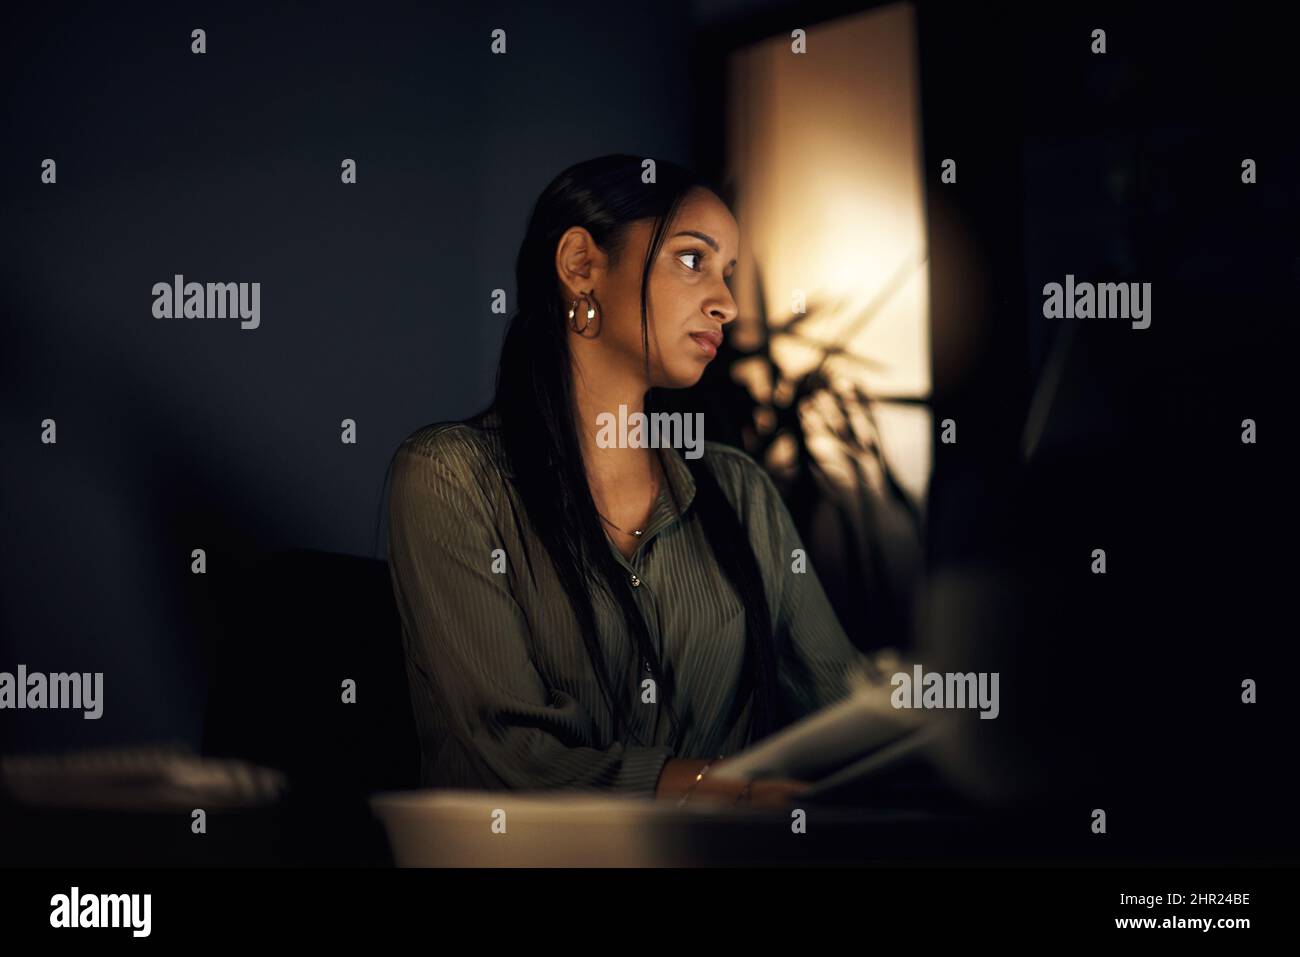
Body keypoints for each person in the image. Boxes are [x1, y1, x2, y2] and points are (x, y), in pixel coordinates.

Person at [386, 154, 870, 807]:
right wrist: (714, 785)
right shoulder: (450, 478)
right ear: (581, 265)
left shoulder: (740, 492)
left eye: (727, 273)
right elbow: (515, 756)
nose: (726, 303)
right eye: (693, 259)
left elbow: (842, 713)